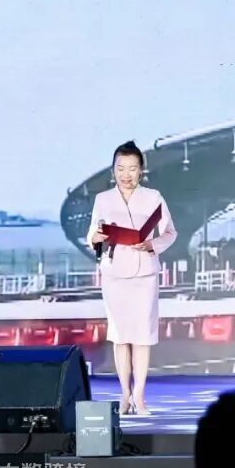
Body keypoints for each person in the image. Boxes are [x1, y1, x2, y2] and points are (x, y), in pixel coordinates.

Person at [86, 140, 177, 415]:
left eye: (132, 168)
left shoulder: (153, 197)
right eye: (120, 168)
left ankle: (140, 395)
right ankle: (125, 393)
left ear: (141, 170)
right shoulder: (103, 199)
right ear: (113, 170)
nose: (126, 174)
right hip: (114, 272)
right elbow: (92, 235)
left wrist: (152, 245)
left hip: (144, 272)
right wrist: (96, 237)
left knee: (142, 335)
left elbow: (170, 232)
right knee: (120, 335)